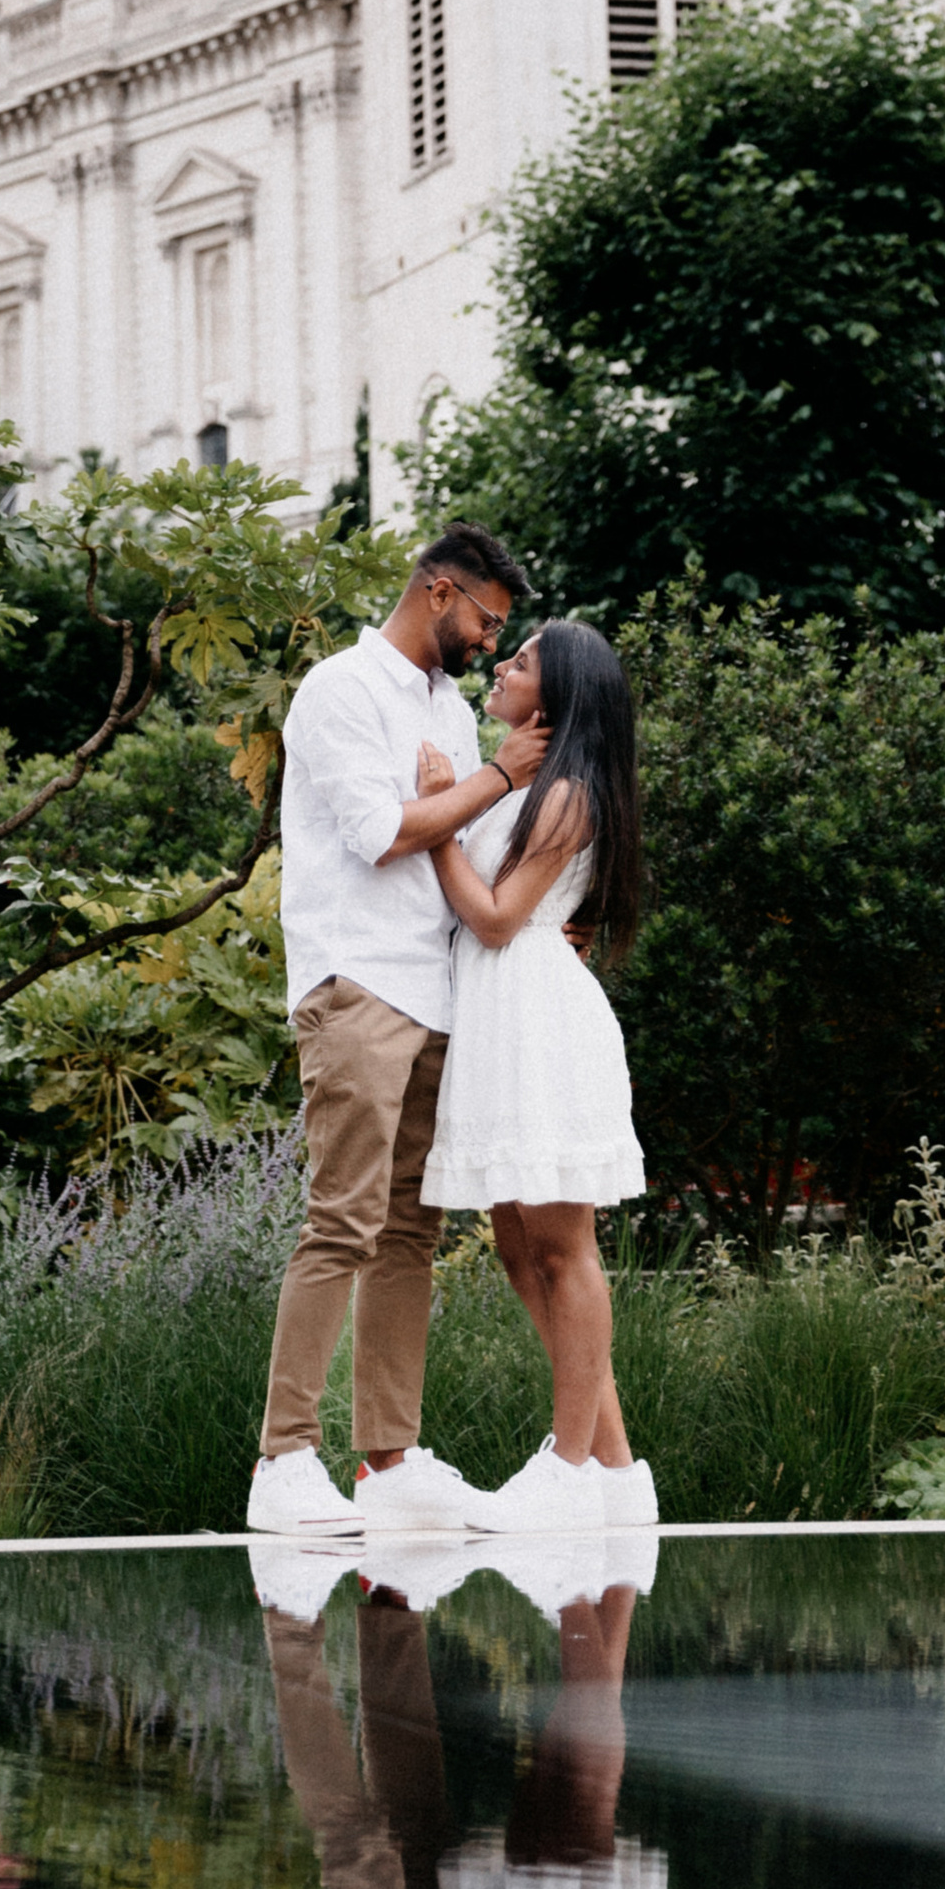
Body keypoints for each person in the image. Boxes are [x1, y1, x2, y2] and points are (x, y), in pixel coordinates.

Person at [246, 525, 549, 1542]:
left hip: (436, 989)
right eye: (484, 620)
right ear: (435, 593)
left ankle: (389, 1461)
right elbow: (386, 834)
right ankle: (284, 1460)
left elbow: (449, 839)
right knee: (341, 1221)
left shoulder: (445, 716)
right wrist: (490, 780)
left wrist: (453, 794)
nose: (486, 641)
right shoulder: (339, 689)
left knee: (411, 1232)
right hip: (358, 979)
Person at [417, 616, 655, 1533]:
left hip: (537, 1020)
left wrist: (440, 817)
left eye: (519, 663)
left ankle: (569, 1467)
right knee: (520, 1249)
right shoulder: (533, 786)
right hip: (502, 1019)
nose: (502, 668)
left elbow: (493, 918)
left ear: (551, 697)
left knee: (564, 1248)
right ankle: (615, 1471)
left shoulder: (564, 795)